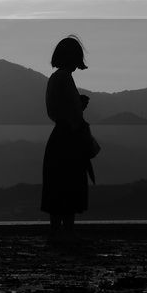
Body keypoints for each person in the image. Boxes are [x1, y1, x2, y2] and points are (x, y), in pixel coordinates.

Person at [41, 35, 93, 238]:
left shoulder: (55, 78)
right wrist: (79, 105)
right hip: (68, 139)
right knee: (69, 187)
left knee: (57, 188)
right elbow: (70, 112)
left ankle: (56, 232)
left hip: (59, 138)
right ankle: (67, 232)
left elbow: (57, 109)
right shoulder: (64, 78)